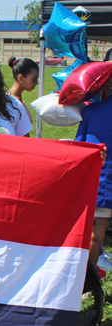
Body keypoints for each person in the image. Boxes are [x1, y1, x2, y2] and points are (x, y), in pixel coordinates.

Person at [75, 78, 112, 281]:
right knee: (95, 236)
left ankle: (84, 283)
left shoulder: (92, 111)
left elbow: (79, 149)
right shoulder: (92, 111)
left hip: (103, 182)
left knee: (95, 236)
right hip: (104, 181)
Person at [7, 57, 39, 124]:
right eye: (34, 79)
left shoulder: (14, 98)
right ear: (21, 78)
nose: (37, 83)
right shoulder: (14, 103)